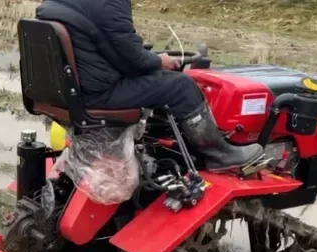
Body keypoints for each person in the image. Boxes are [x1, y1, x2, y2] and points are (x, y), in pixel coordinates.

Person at [36, 0, 263, 171]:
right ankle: (218, 154)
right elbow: (132, 59)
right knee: (181, 86)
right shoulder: (109, 3)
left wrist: (145, 55)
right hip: (98, 94)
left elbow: (109, 46)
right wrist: (159, 61)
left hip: (67, 92)